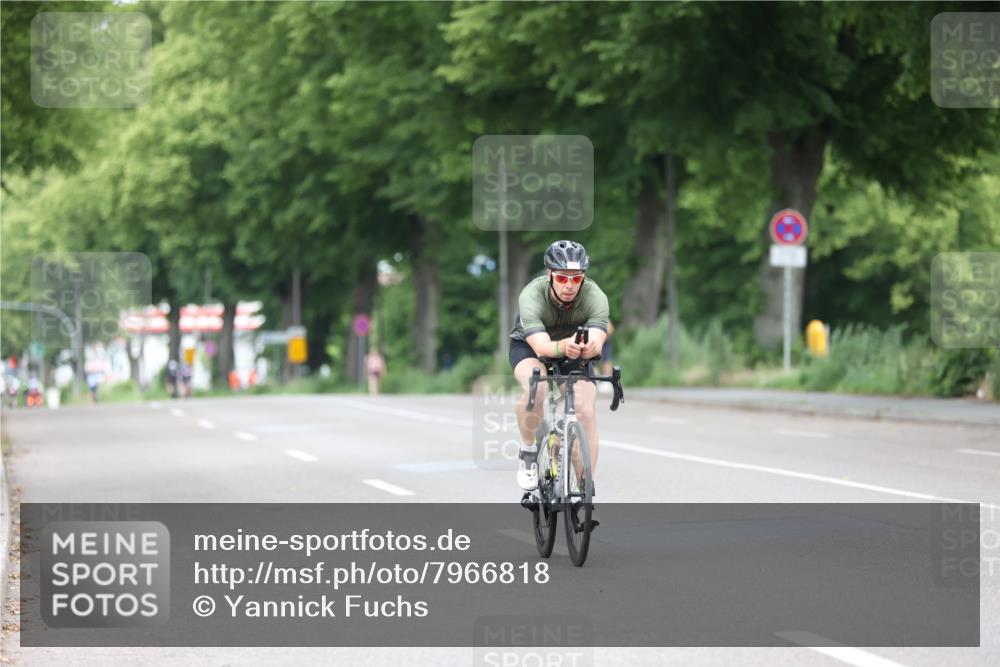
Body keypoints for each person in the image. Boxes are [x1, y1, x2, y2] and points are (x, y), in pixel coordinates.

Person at [509, 240, 609, 521]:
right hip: (531, 347)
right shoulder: (532, 294)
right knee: (537, 387)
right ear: (550, 274)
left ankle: (584, 487)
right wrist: (565, 346)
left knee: (585, 409)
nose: (569, 285)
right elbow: (541, 347)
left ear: (583, 278)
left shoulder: (595, 296)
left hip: (573, 348)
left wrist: (589, 347)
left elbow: (598, 340)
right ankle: (529, 452)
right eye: (562, 278)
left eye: (576, 279)